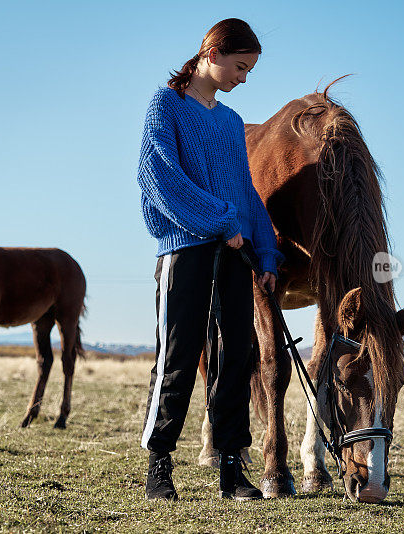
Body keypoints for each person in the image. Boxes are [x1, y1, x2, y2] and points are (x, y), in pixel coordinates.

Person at [136, 18, 284, 501]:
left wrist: (266, 249)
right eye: (240, 66)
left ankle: (229, 467)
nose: (244, 78)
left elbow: (246, 191)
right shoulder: (167, 104)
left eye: (249, 71)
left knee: (236, 358)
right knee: (178, 358)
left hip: (237, 256)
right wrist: (222, 221)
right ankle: (160, 465)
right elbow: (160, 179)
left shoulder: (230, 121)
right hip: (184, 249)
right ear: (213, 52)